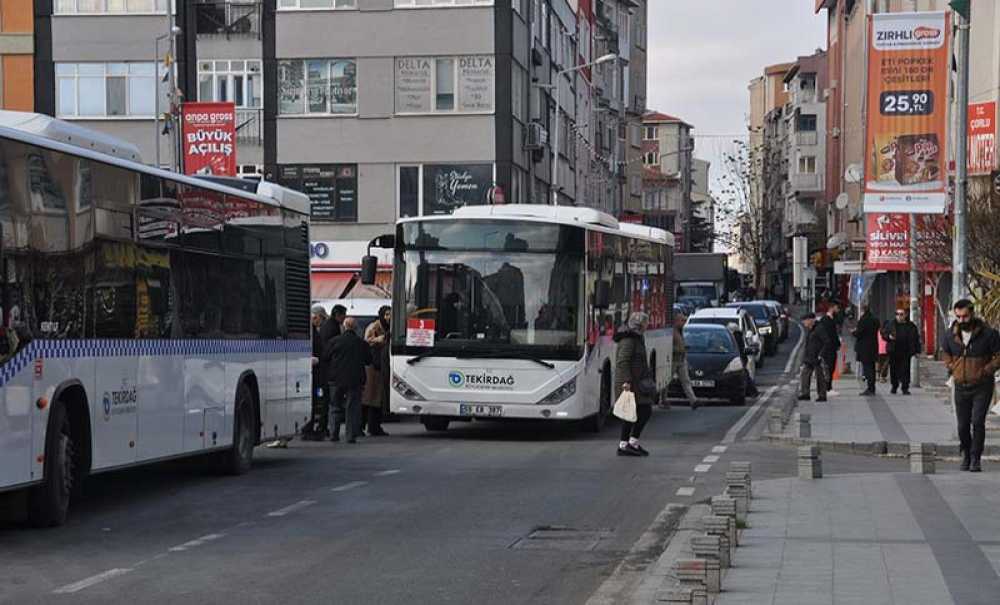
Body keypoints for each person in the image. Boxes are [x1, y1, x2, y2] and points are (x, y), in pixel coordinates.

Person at [940, 299, 1000, 472]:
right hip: (960, 385)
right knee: (962, 425)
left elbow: (998, 356)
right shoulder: (950, 335)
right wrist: (952, 367)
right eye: (958, 316)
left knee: (978, 421)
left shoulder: (988, 334)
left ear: (972, 314)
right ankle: (966, 454)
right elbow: (945, 353)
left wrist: (986, 370)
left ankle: (975, 458)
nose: (962, 320)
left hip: (982, 385)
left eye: (965, 316)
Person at [325, 317, 372, 444]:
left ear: (344, 327)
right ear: (355, 328)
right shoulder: (361, 343)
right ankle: (350, 435)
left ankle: (333, 433)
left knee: (335, 405)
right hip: (355, 380)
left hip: (336, 379)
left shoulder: (334, 341)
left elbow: (325, 356)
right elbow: (369, 360)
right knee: (352, 407)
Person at [614, 312, 654, 457]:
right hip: (630, 383)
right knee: (638, 412)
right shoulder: (629, 340)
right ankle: (626, 444)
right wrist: (627, 381)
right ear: (641, 325)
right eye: (645, 323)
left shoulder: (636, 337)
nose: (647, 326)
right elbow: (622, 361)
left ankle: (629, 443)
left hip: (637, 381)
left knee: (636, 412)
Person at [362, 306, 391, 437]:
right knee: (369, 399)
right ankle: (363, 426)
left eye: (390, 314)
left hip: (382, 366)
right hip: (373, 366)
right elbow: (366, 341)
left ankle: (374, 426)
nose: (388, 317)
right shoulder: (374, 326)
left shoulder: (390, 327)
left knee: (377, 399)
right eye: (386, 314)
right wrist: (378, 339)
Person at [303, 306, 330, 441]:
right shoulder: (310, 332)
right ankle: (309, 428)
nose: (322, 322)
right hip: (313, 372)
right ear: (316, 317)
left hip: (315, 372)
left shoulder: (313, 331)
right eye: (322, 319)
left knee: (315, 400)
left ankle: (310, 428)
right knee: (314, 400)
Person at [322, 305, 347, 440]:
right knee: (333, 402)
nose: (344, 318)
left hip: (330, 370)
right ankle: (330, 430)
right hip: (332, 369)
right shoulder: (332, 328)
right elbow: (330, 349)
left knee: (332, 402)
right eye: (343, 315)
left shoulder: (329, 325)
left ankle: (329, 429)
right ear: (337, 314)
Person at [881, 308, 920, 395]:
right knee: (894, 370)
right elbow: (883, 333)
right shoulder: (891, 324)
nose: (899, 316)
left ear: (905, 315)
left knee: (905, 370)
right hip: (893, 351)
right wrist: (888, 337)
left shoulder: (911, 326)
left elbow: (916, 338)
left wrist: (917, 351)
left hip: (906, 351)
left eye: (901, 314)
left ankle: (905, 388)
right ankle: (894, 386)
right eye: (897, 314)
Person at [669, 313, 698, 411]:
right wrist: (679, 349)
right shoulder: (672, 332)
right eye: (682, 321)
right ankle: (662, 399)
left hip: (681, 359)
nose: (684, 323)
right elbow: (668, 347)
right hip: (673, 360)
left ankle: (693, 400)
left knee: (686, 380)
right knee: (667, 381)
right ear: (677, 321)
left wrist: (683, 349)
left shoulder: (680, 331)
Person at [798, 313, 829, 402]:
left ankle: (822, 395)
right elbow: (808, 343)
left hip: (817, 357)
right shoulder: (810, 329)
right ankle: (805, 394)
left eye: (805, 321)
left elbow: (827, 342)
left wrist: (821, 354)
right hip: (809, 357)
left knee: (820, 376)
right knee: (805, 374)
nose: (804, 323)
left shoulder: (819, 328)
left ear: (810, 320)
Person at [852, 305, 879, 396]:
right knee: (872, 368)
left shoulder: (863, 320)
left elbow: (859, 333)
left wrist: (853, 332)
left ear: (863, 311)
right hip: (873, 346)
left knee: (867, 368)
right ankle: (872, 388)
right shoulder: (875, 320)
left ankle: (870, 388)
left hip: (864, 348)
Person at [818, 302, 842, 395]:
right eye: (837, 308)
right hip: (828, 348)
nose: (838, 310)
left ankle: (828, 387)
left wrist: (838, 344)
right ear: (832, 308)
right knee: (828, 367)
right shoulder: (825, 320)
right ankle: (827, 388)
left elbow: (835, 334)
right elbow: (830, 335)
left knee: (831, 367)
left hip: (832, 347)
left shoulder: (832, 319)